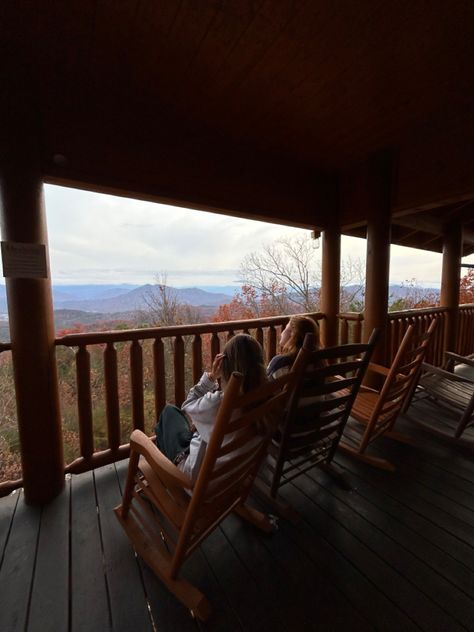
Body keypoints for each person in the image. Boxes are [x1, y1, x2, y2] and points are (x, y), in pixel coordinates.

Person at [155, 333, 267, 482]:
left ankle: (162, 470)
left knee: (169, 413)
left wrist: (212, 376)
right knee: (182, 424)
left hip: (197, 480)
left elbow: (187, 406)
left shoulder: (220, 403)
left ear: (226, 366)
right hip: (235, 473)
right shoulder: (267, 395)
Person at [267, 315, 320, 379]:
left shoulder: (280, 363)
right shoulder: (318, 360)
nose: (282, 332)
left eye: (285, 329)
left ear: (293, 334)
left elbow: (265, 387)